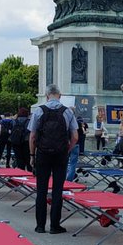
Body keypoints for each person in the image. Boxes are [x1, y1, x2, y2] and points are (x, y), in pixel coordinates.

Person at [29, 85, 78, 235]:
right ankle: (55, 225)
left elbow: (32, 136)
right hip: (60, 154)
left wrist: (32, 155)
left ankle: (40, 226)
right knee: (57, 190)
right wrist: (67, 149)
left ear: (46, 95)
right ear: (60, 95)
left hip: (43, 154)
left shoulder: (39, 110)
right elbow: (75, 136)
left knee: (41, 190)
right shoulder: (68, 112)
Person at [9, 107, 31, 171]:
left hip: (16, 142)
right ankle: (30, 174)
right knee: (28, 159)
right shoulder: (29, 121)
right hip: (26, 142)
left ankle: (21, 174)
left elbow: (10, 131)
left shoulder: (14, 121)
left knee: (19, 159)